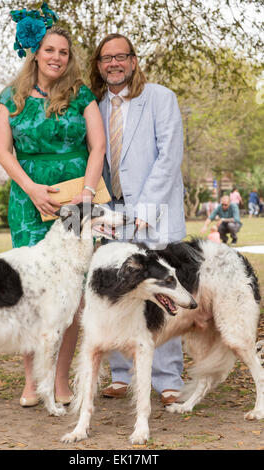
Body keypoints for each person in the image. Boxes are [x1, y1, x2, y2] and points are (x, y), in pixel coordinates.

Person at [0, 5, 106, 407]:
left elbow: (98, 147)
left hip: (77, 201)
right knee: (31, 291)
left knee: (70, 295)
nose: (57, 57)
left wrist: (89, 193)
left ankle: (59, 380)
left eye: (63, 51)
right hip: (29, 201)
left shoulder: (82, 96)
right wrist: (31, 188)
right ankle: (33, 380)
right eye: (50, 50)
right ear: (35, 53)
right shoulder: (11, 97)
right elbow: (2, 150)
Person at [90, 33, 186, 406]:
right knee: (118, 291)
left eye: (120, 56)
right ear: (99, 66)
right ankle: (122, 374)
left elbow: (169, 155)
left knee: (161, 291)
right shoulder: (95, 107)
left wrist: (145, 208)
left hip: (155, 212)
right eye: (105, 59)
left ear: (133, 60)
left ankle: (167, 378)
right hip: (112, 216)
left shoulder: (160, 98)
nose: (113, 63)